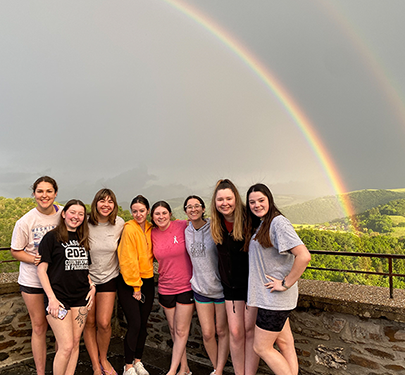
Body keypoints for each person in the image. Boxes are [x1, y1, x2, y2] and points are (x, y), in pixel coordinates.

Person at [244, 183, 311, 375]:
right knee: (284, 342)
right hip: (274, 300)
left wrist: (285, 283)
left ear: (269, 200)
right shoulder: (265, 223)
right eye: (252, 202)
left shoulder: (278, 223)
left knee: (261, 348)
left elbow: (304, 256)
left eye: (261, 200)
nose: (256, 205)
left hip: (275, 301)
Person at [37, 199, 96, 375]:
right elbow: (42, 270)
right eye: (72, 212)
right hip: (58, 297)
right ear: (64, 214)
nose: (76, 217)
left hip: (81, 297)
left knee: (76, 341)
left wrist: (92, 286)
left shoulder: (83, 238)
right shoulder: (51, 237)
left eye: (80, 214)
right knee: (66, 345)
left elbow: (84, 269)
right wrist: (52, 299)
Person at [10, 176, 61, 375]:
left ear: (55, 193)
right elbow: (16, 251)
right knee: (39, 326)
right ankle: (40, 372)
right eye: (40, 191)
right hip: (32, 280)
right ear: (34, 194)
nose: (44, 195)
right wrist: (40, 260)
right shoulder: (25, 221)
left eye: (49, 191)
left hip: (58, 281)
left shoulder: (64, 214)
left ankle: (60, 369)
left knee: (60, 330)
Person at [210, 179, 259, 375]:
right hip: (230, 287)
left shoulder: (250, 219)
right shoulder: (216, 224)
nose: (225, 203)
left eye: (229, 198)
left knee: (250, 332)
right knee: (236, 333)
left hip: (252, 286)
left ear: (236, 198)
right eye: (220, 199)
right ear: (215, 202)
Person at [184, 195, 229, 375]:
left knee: (222, 331)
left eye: (197, 206)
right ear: (185, 211)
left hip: (220, 289)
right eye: (189, 207)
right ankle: (216, 367)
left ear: (203, 209)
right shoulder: (185, 229)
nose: (193, 209)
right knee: (208, 333)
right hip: (200, 289)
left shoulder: (214, 227)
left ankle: (219, 370)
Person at [83, 189, 125, 375]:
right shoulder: (84, 223)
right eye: (102, 201)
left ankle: (103, 358)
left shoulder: (119, 224)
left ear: (114, 205)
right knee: (89, 322)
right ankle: (94, 364)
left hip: (109, 277)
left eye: (110, 201)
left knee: (104, 323)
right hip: (86, 278)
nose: (106, 205)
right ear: (95, 203)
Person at [151, 201, 193, 375]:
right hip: (165, 287)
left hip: (185, 286)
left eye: (164, 213)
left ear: (170, 214)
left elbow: (203, 225)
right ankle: (184, 368)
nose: (161, 216)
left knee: (182, 330)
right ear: (152, 217)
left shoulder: (182, 225)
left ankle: (172, 370)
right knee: (174, 330)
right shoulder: (151, 233)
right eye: (157, 214)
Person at [117, 195, 154, 375]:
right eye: (135, 211)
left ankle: (138, 361)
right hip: (129, 283)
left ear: (147, 211)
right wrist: (136, 287)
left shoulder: (150, 228)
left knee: (143, 324)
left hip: (147, 281)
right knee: (135, 324)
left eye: (141, 210)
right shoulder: (129, 229)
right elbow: (127, 260)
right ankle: (128, 365)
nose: (138, 214)